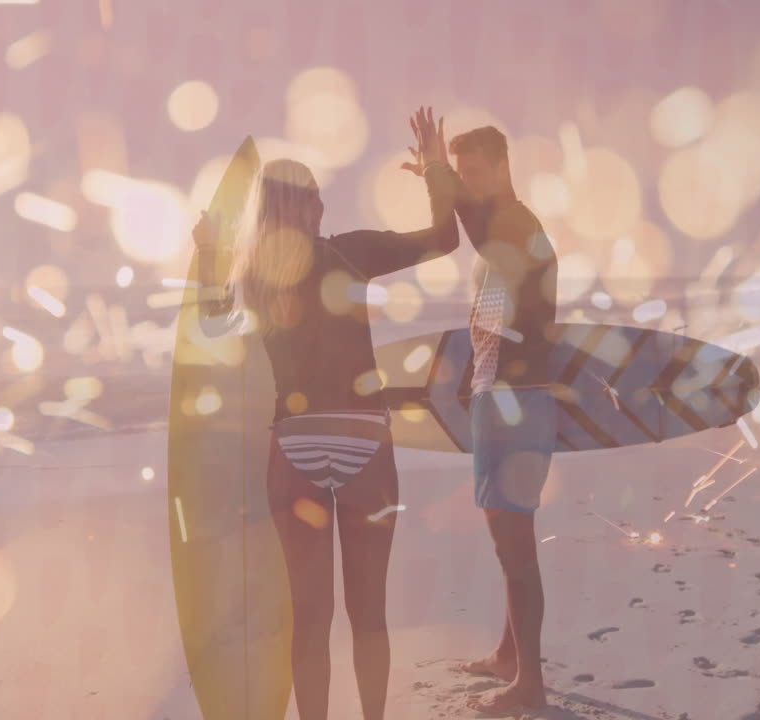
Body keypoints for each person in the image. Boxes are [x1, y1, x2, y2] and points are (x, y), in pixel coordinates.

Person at [191, 107, 458, 720]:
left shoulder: (252, 273)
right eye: (316, 197)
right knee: (369, 616)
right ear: (309, 205)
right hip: (366, 445)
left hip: (295, 454)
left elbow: (210, 323)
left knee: (310, 621)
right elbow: (445, 238)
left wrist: (209, 254)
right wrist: (436, 169)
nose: (321, 207)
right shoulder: (352, 253)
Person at [403, 125, 560, 715]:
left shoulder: (515, 223)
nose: (468, 185)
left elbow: (473, 224)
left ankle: (531, 687)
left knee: (515, 546)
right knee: (508, 543)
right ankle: (509, 656)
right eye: (462, 174)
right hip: (505, 398)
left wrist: (437, 172)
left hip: (515, 405)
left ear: (500, 167)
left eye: (474, 173)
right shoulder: (513, 227)